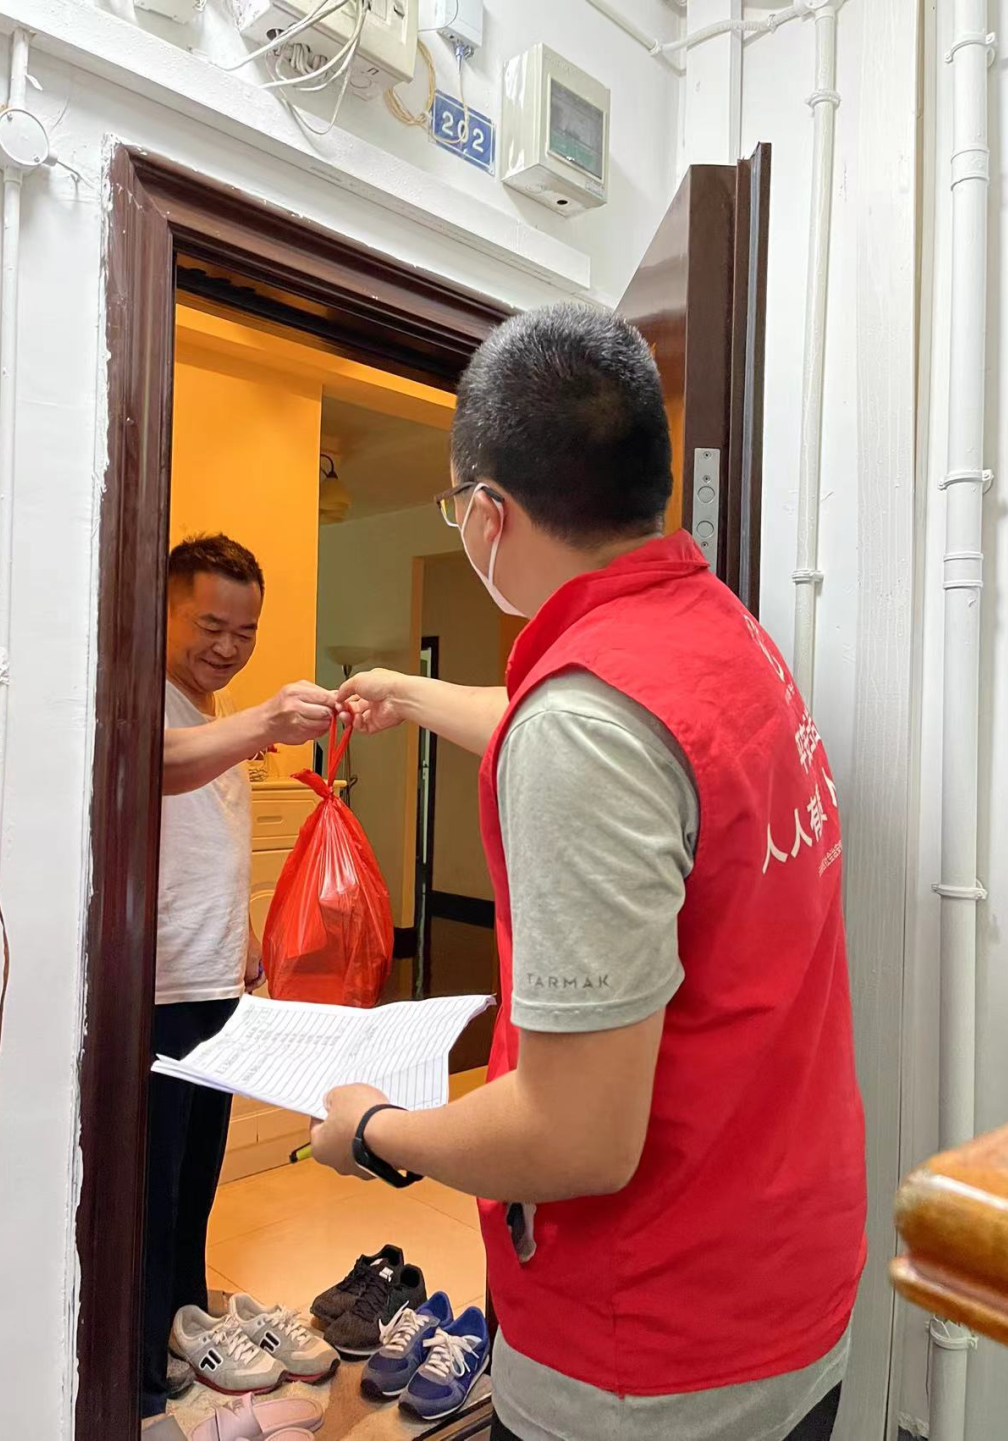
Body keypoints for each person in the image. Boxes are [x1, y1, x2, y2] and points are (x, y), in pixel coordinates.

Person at [310, 305, 868, 1441]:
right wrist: (408, 692)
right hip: (786, 1279)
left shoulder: (585, 724)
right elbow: (588, 739)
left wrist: (375, 1130)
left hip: (648, 1349)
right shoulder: (714, 634)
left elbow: (574, 1137)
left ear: (487, 512)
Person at [142, 534, 338, 1425]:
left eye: (246, 629)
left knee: (195, 1179)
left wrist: (246, 932)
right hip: (156, 992)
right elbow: (155, 766)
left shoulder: (209, 707)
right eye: (210, 624)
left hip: (216, 982)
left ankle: (184, 1323)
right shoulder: (145, 699)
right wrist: (265, 721)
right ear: (165, 610)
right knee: (150, 1188)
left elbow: (203, 840)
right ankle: (138, 1368)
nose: (228, 645)